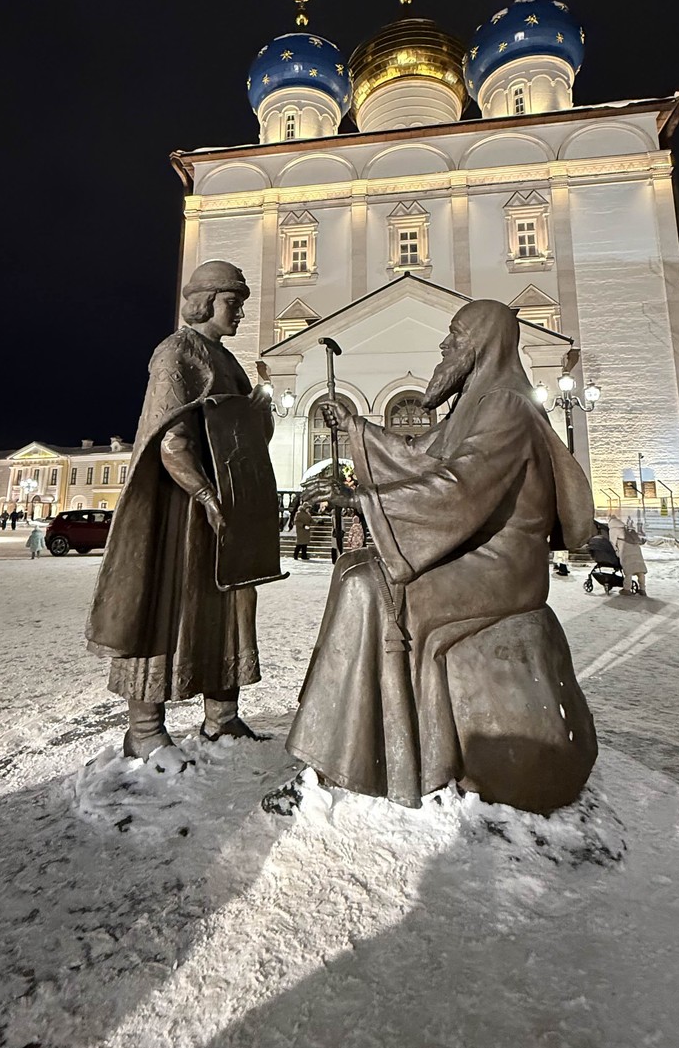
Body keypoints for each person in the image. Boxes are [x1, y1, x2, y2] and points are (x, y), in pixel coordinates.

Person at [268, 299, 597, 817]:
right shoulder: (478, 402)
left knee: (367, 588)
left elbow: (458, 486)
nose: (444, 347)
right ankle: (358, 752)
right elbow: (423, 455)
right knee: (354, 569)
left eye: (455, 336)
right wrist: (358, 429)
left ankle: (344, 766)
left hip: (499, 568)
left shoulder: (506, 405)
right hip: (476, 556)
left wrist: (364, 500)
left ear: (483, 344)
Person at [86, 259, 278, 767]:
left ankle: (222, 718)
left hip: (225, 510)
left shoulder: (228, 361)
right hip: (181, 513)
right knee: (167, 607)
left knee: (231, 610)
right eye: (232, 302)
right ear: (205, 300)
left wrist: (262, 405)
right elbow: (171, 439)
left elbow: (246, 439)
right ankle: (145, 731)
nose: (238, 312)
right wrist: (206, 495)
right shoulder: (177, 352)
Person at [620, 519, 648, 594]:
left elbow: (622, 552)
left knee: (628, 573)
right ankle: (642, 590)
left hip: (629, 560)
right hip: (639, 560)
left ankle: (626, 589)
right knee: (640, 573)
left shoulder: (625, 541)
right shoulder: (636, 541)